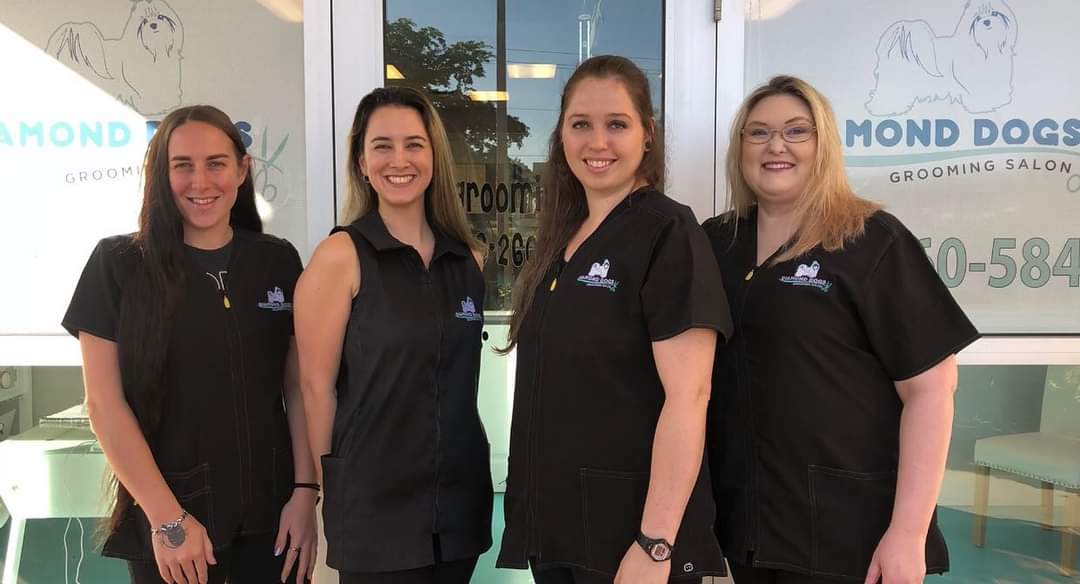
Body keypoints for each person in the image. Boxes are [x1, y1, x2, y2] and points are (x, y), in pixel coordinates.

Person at [702, 76, 980, 584]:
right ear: (740, 147)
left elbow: (932, 392)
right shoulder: (717, 243)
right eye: (758, 132)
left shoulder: (871, 240)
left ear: (823, 145)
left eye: (796, 131)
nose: (776, 145)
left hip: (851, 532)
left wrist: (908, 534)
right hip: (749, 524)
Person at [495, 55, 733, 584]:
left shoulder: (668, 232)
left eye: (616, 124)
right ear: (561, 136)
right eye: (581, 124)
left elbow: (689, 397)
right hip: (561, 529)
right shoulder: (565, 238)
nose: (596, 142)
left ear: (647, 135)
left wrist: (655, 544)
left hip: (630, 538)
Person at [62, 105, 318, 584]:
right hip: (174, 525)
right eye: (183, 165)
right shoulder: (118, 265)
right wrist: (168, 520)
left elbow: (299, 388)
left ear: (242, 170)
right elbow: (104, 405)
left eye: (216, 163)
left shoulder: (276, 262)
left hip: (273, 522)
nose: (201, 181)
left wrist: (305, 494)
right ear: (162, 173)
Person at [294, 86, 491, 584]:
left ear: (433, 157)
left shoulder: (469, 260)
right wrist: (331, 489)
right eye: (382, 146)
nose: (398, 160)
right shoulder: (341, 256)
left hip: (459, 510)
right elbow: (315, 389)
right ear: (362, 162)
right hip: (375, 514)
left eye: (413, 144)